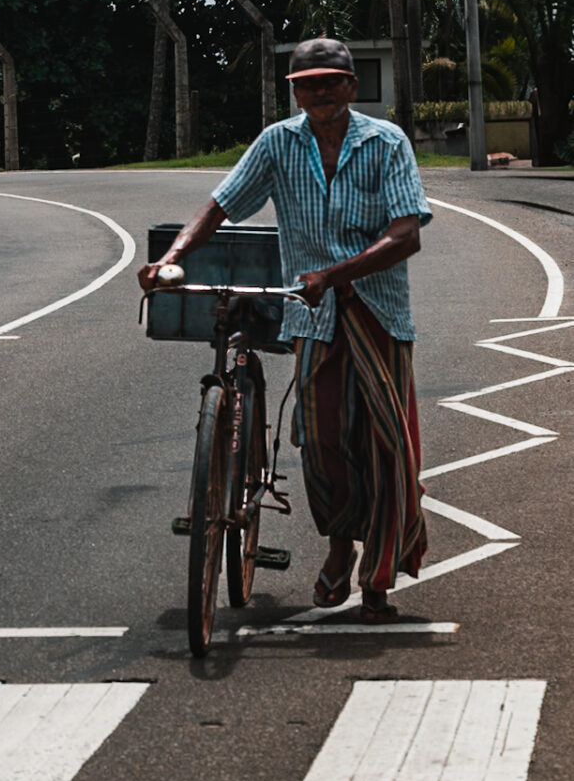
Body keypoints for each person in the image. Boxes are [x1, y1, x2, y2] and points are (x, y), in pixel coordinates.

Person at [139, 37, 430, 623]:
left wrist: (335, 273)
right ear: (293, 91)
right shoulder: (278, 143)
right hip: (311, 313)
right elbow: (219, 205)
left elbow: (406, 234)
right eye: (307, 83)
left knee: (386, 446)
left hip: (377, 311)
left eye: (330, 81)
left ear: (352, 86)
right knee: (321, 444)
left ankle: (376, 581)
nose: (319, 92)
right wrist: (170, 256)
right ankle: (341, 542)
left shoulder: (385, 142)